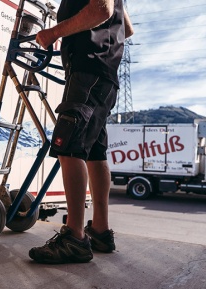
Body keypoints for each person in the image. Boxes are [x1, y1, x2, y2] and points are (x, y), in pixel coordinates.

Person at [29, 0, 134, 264]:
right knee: (95, 153)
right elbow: (127, 28)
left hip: (89, 70)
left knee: (70, 146)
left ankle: (74, 237)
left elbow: (101, 10)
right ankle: (100, 231)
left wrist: (54, 32)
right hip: (103, 74)